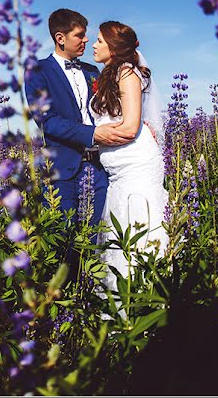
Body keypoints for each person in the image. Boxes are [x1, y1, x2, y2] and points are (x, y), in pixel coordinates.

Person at [24, 9, 134, 231]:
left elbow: (111, 108)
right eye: (79, 35)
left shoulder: (93, 71)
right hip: (62, 171)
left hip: (99, 167)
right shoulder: (37, 70)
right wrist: (92, 134)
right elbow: (47, 120)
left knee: (95, 240)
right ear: (60, 38)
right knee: (64, 245)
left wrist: (136, 121)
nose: (86, 40)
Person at [89, 21, 169, 299]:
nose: (94, 44)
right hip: (118, 173)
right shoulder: (111, 74)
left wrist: (92, 137)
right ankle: (120, 308)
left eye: (99, 40)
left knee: (141, 231)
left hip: (137, 166)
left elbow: (130, 127)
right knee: (118, 233)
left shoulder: (127, 72)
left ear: (114, 47)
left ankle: (145, 302)